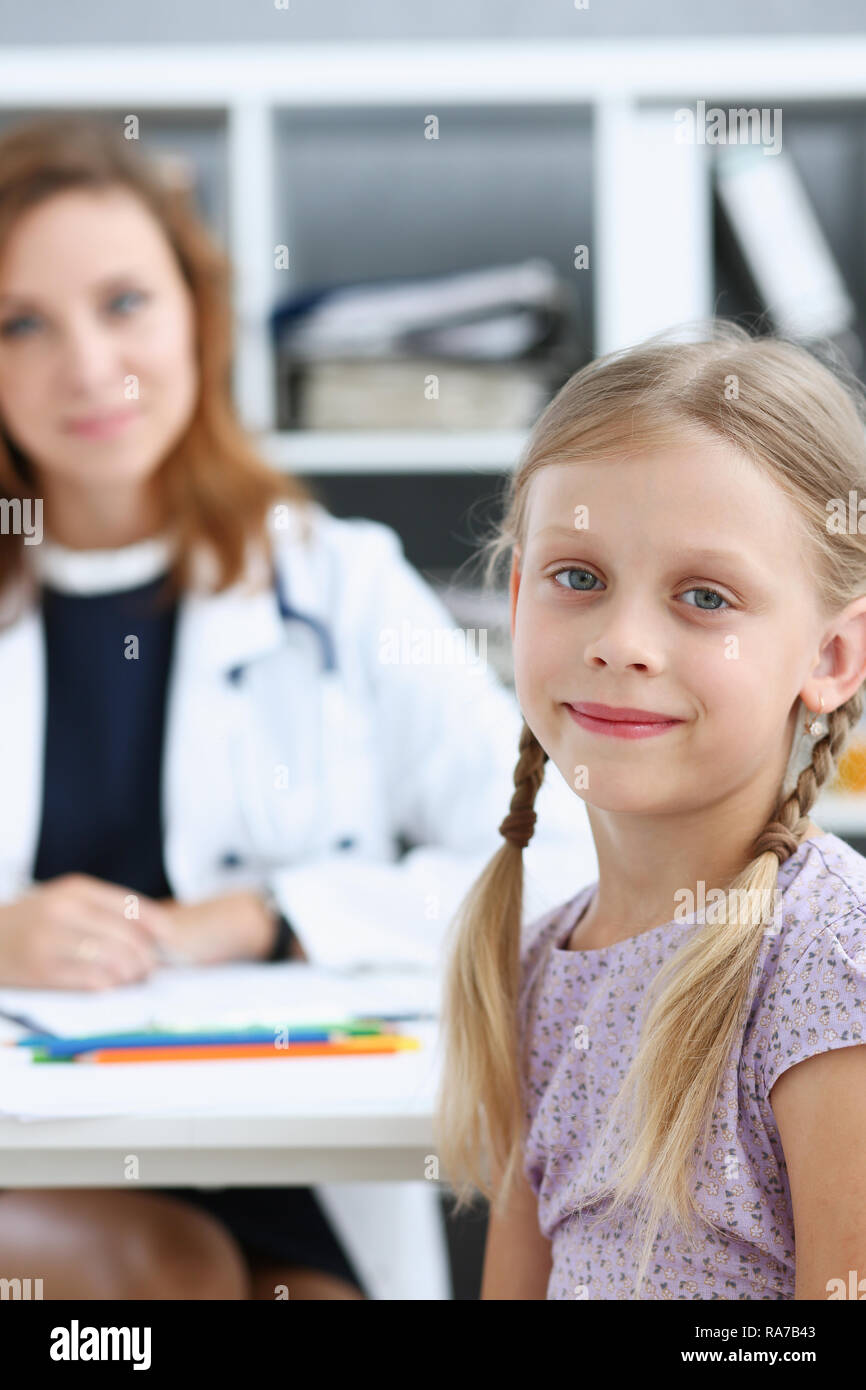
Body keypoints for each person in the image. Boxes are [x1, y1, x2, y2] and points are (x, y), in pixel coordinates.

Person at [0, 114, 598, 1301]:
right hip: (37, 1170)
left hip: (284, 1166)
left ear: (199, 317)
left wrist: (269, 914)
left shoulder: (336, 578)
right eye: (22, 322)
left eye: (125, 302)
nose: (85, 363)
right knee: (157, 1275)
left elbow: (560, 857)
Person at [436, 318, 866, 1300]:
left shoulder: (825, 953)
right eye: (576, 578)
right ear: (513, 601)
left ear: (829, 657)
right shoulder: (537, 969)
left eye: (702, 596)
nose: (622, 641)